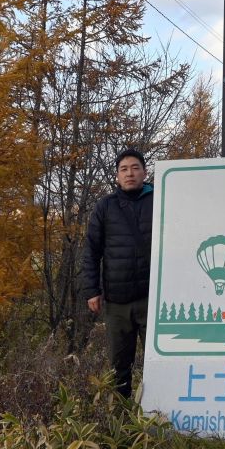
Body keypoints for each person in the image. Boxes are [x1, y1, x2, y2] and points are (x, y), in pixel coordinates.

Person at [82, 147, 153, 398]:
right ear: (116, 176)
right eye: (123, 169)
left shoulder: (160, 199)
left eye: (135, 168)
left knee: (156, 364)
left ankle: (156, 419)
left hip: (152, 299)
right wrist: (92, 290)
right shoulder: (105, 207)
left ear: (145, 172)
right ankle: (121, 424)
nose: (129, 173)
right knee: (119, 366)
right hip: (117, 301)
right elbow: (91, 250)